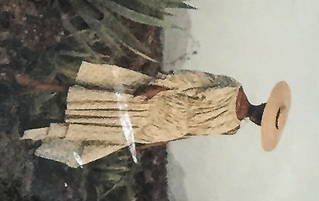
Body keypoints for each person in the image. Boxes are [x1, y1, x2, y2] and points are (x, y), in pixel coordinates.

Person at [17, 65, 290, 166]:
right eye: (264, 113)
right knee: (98, 98)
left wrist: (156, 143)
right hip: (160, 104)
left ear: (257, 124)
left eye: (261, 121)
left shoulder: (232, 128)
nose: (258, 117)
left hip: (161, 129)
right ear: (264, 104)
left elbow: (190, 133)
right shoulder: (233, 87)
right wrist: (157, 87)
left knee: (99, 130)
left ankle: (35, 131)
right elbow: (190, 80)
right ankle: (38, 86)